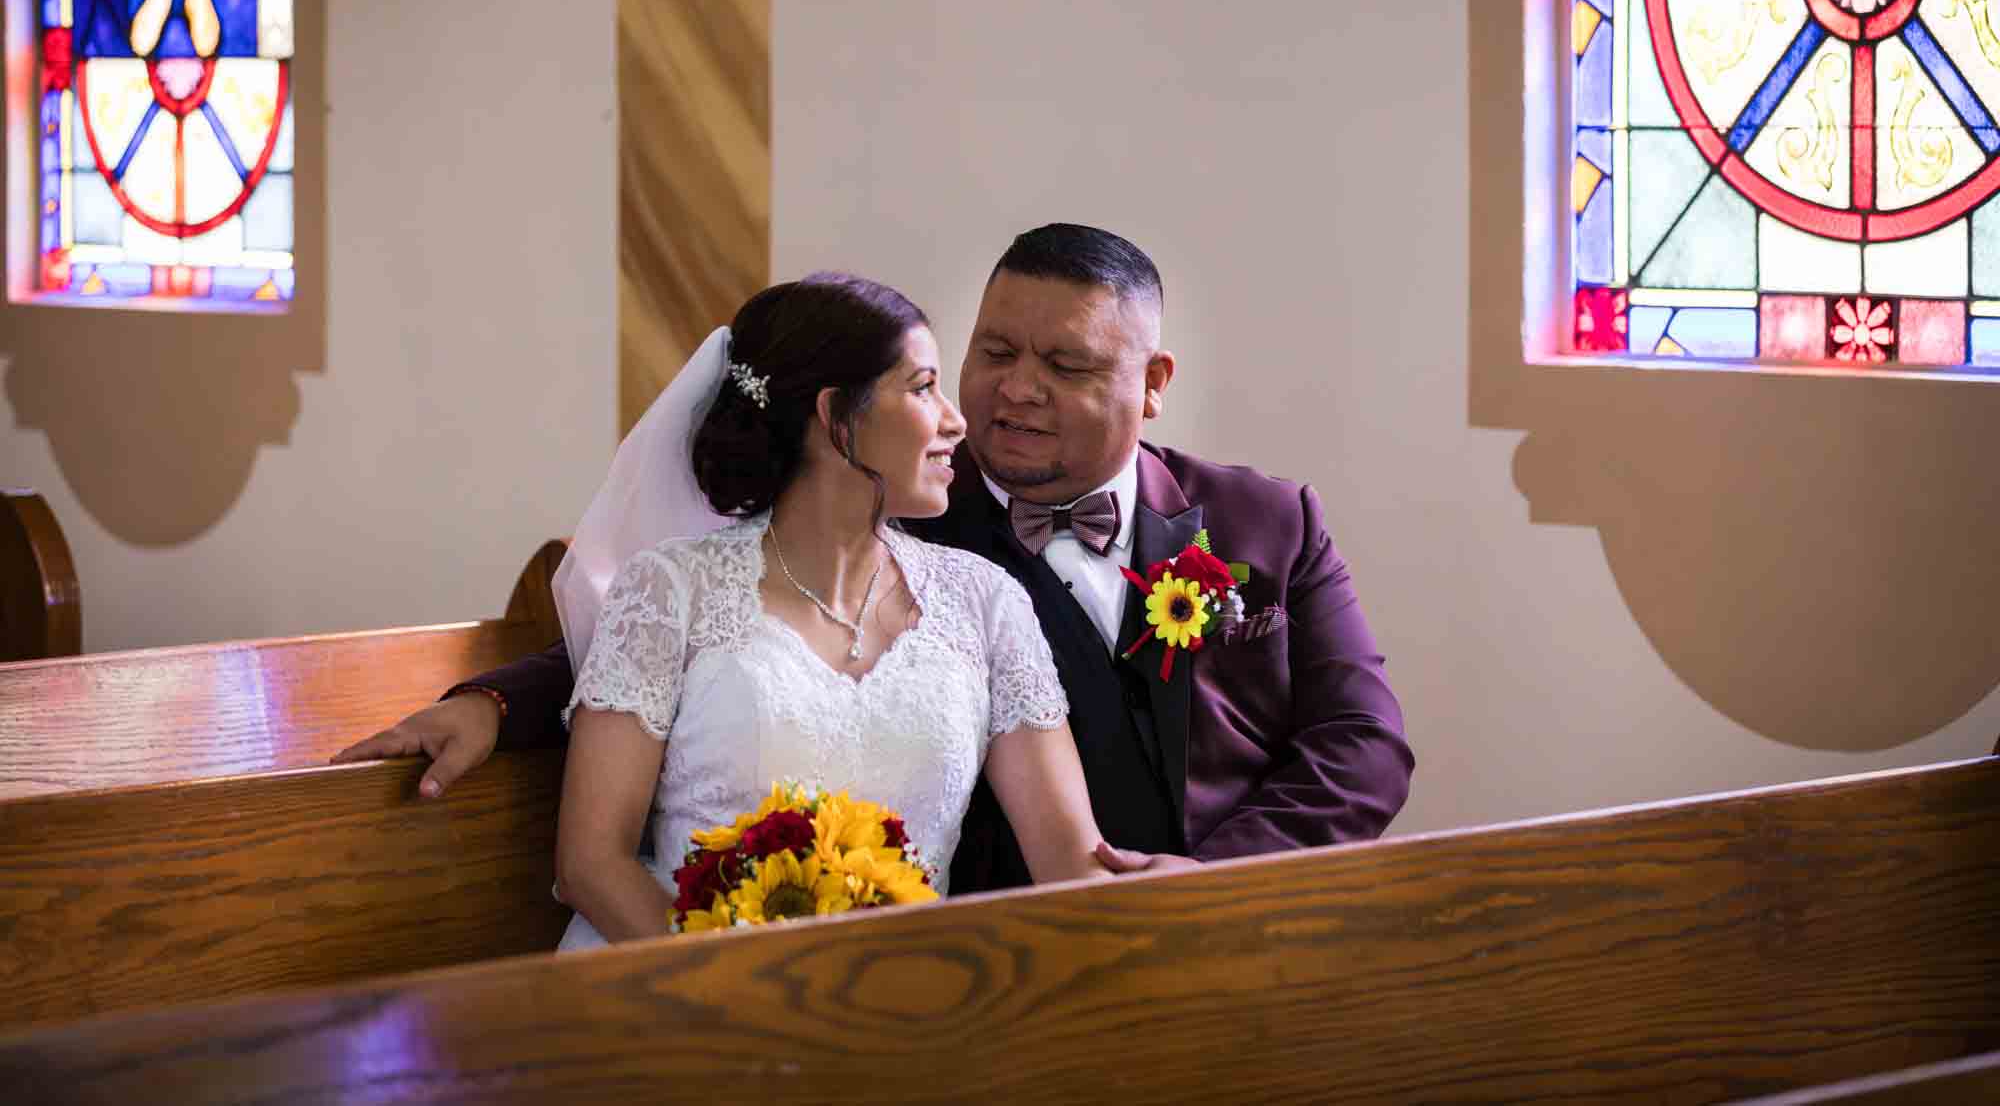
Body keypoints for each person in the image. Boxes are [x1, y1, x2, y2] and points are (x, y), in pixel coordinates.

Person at [337, 224, 1413, 895]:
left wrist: (1211, 883)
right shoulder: (909, 524)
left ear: (1154, 378)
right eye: (991, 353)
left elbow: (1362, 744)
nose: (1008, 391)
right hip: (985, 943)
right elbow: (706, 619)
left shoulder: (1268, 522)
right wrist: (493, 699)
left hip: (1213, 913)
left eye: (1063, 363)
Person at [545, 273, 1108, 947]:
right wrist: (737, 995)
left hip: (903, 1004)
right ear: (838, 416)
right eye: (923, 388)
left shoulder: (987, 603)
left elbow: (1071, 863)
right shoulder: (669, 591)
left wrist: (1201, 897)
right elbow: (591, 863)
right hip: (679, 995)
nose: (957, 421)